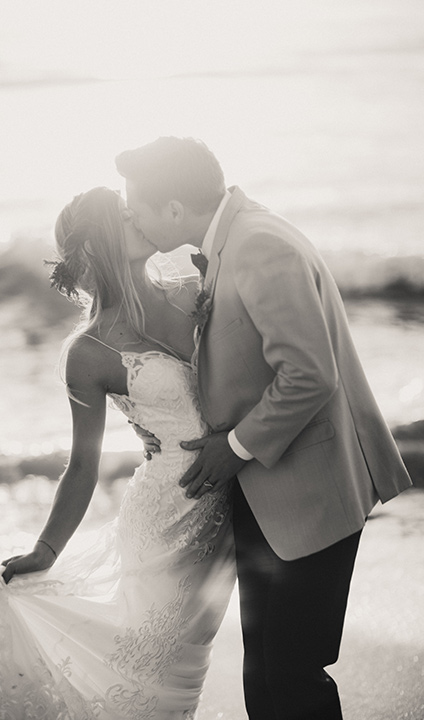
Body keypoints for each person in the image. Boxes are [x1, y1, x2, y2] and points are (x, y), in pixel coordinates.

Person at [115, 136, 413, 720]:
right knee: (266, 676)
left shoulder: (258, 247)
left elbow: (309, 375)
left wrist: (234, 447)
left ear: (174, 209)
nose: (134, 219)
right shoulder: (233, 242)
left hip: (310, 490)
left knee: (293, 676)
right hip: (269, 492)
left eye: (138, 208)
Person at [0, 186, 236, 720]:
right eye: (124, 216)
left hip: (227, 508)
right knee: (159, 684)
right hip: (163, 518)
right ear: (100, 245)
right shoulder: (89, 352)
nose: (138, 217)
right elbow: (83, 464)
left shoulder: (195, 287)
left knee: (188, 667)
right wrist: (46, 551)